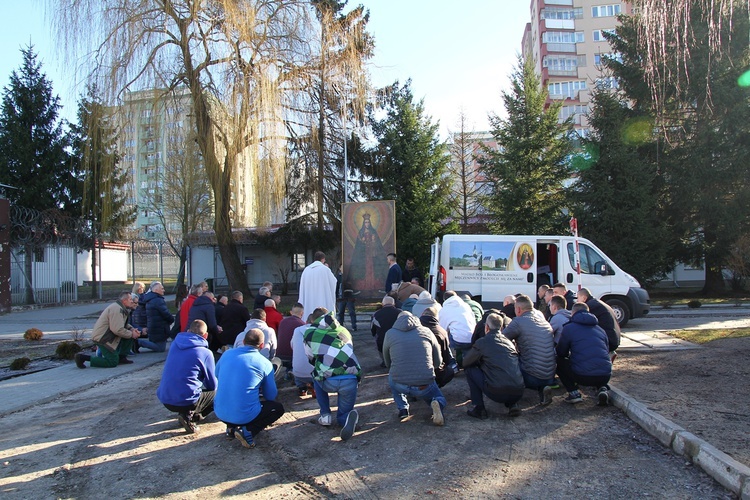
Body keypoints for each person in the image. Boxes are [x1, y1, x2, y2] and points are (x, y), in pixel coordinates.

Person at [214, 328, 285, 448]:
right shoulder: (264, 363)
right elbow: (271, 396)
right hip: (244, 415)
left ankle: (231, 428)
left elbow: (217, 375)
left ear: (243, 341)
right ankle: (248, 431)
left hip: (220, 412)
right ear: (262, 345)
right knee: (277, 409)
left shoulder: (226, 354)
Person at [303, 312, 362, 441]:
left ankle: (325, 415)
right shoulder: (344, 330)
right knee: (345, 410)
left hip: (328, 380)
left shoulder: (310, 333)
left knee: (316, 375)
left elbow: (310, 357)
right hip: (351, 377)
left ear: (314, 320)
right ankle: (345, 419)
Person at [383, 311, 446, 426]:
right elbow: (438, 361)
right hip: (424, 385)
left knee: (392, 376)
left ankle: (403, 409)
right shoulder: (426, 331)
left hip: (399, 383)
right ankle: (436, 403)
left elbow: (387, 362)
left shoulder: (390, 334)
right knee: (438, 396)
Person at [156, 320, 218, 433]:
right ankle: (191, 417)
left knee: (187, 386)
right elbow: (212, 384)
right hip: (186, 399)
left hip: (165, 397)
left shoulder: (175, 344)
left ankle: (186, 413)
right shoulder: (205, 352)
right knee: (217, 393)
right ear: (206, 335)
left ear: (188, 331)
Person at [463, 313, 525, 418]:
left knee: (470, 369)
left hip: (496, 391)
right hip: (518, 390)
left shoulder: (482, 342)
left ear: (486, 327)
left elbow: (465, 362)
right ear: (501, 327)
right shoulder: (510, 342)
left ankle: (479, 408)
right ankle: (513, 404)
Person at [502, 294, 556, 406]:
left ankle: (512, 400)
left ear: (518, 309)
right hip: (550, 375)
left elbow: (501, 340)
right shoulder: (544, 321)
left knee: (509, 359)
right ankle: (543, 389)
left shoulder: (518, 322)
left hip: (531, 376)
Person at [556, 303, 613, 406]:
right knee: (597, 362)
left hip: (582, 376)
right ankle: (602, 389)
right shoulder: (600, 330)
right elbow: (606, 350)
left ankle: (574, 393)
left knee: (559, 362)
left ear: (573, 313)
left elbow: (561, 352)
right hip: (605, 375)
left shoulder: (569, 328)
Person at [75, 291, 141, 368]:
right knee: (112, 362)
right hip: (103, 338)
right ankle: (83, 358)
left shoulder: (120, 308)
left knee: (129, 336)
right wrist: (132, 334)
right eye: (130, 299)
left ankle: (121, 358)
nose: (132, 301)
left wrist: (132, 329)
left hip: (107, 336)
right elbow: (117, 329)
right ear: (124, 300)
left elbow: (121, 324)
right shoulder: (117, 309)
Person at [576, 287, 621, 358]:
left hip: (608, 342)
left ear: (584, 298)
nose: (577, 301)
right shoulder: (597, 303)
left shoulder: (590, 306)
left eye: (578, 298)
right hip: (614, 338)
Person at [350, 212, 388, 292]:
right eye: (365, 222)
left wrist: (374, 241)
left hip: (372, 253)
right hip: (363, 254)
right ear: (364, 223)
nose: (367, 224)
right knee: (363, 268)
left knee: (374, 267)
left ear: (370, 223)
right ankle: (363, 286)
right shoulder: (360, 232)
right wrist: (362, 242)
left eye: (368, 222)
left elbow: (378, 244)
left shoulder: (373, 232)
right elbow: (358, 246)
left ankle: (374, 285)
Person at [419, 306, 456, 387]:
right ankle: (435, 387)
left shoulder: (415, 329)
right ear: (436, 317)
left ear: (422, 315)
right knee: (450, 371)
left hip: (414, 370)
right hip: (434, 370)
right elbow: (445, 355)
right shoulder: (442, 332)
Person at [439, 290, 477, 367]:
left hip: (458, 340)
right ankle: (469, 365)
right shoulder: (466, 306)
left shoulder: (444, 309)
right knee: (467, 351)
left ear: (444, 299)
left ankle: (452, 363)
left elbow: (442, 329)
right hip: (472, 337)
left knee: (443, 339)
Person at [291, 309, 323, 397]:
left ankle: (302, 388)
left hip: (298, 372)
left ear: (305, 322)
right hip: (314, 373)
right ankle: (315, 386)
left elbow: (292, 346)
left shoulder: (297, 330)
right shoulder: (318, 332)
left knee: (298, 371)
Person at [139, 281, 174, 353]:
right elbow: (165, 313)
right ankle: (139, 342)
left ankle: (139, 343)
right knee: (160, 348)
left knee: (159, 346)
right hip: (159, 327)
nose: (164, 290)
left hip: (154, 326)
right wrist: (171, 319)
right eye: (162, 288)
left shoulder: (150, 299)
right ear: (156, 290)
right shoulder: (158, 300)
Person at [371, 295, 401, 367]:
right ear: (394, 304)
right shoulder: (400, 312)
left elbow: (373, 329)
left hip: (382, 339)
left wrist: (374, 334)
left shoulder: (376, 314)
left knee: (378, 340)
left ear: (382, 304)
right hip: (398, 339)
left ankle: (384, 361)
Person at [277, 302, 305, 372]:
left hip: (279, 354)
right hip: (292, 356)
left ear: (291, 312)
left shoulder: (282, 322)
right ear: (302, 313)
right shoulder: (302, 325)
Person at [336, 266, 358, 331]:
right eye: (341, 267)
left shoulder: (350, 276)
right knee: (341, 313)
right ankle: (340, 326)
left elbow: (353, 285)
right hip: (341, 297)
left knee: (351, 312)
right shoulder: (338, 277)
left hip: (349, 296)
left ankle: (354, 326)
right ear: (340, 268)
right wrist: (337, 296)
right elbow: (337, 286)